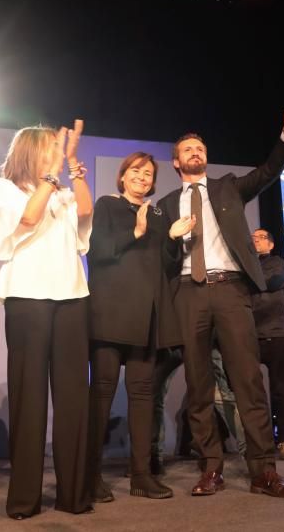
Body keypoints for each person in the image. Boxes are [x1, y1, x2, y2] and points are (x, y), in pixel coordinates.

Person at [156, 103, 284, 499]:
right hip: (188, 293)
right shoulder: (167, 204)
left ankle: (264, 472)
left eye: (200, 149)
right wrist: (171, 238)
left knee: (248, 382)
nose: (195, 153)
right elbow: (164, 261)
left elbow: (268, 171)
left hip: (230, 290)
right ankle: (211, 468)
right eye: (187, 150)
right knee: (199, 385)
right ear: (176, 162)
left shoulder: (227, 187)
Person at [0, 121, 94, 519]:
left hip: (72, 297)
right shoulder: (8, 189)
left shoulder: (64, 194)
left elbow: (85, 212)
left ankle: (74, 496)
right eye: (52, 145)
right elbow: (28, 220)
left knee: (72, 400)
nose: (57, 151)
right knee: (29, 398)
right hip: (27, 299)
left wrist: (72, 164)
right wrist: (52, 176)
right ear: (33, 151)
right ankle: (24, 500)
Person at [85, 152, 193, 502]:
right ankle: (89, 476)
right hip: (109, 313)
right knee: (101, 392)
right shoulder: (106, 205)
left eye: (148, 173)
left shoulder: (160, 214)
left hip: (147, 318)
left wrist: (173, 238)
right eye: (136, 171)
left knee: (143, 396)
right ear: (123, 175)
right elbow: (96, 250)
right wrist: (136, 231)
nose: (143, 177)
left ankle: (141, 474)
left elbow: (165, 266)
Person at [250, 229, 284, 460]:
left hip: (277, 334)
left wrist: (248, 282)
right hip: (250, 336)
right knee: (251, 393)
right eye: (252, 238)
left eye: (260, 237)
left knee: (280, 391)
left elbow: (274, 280)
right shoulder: (243, 264)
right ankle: (260, 443)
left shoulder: (277, 263)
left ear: (270, 244)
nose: (255, 240)